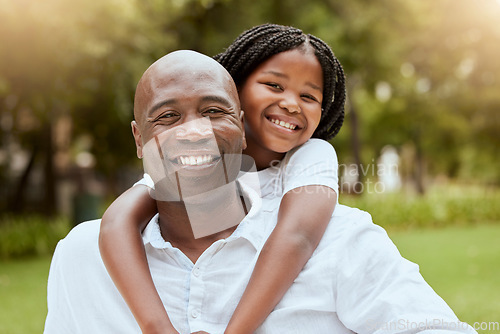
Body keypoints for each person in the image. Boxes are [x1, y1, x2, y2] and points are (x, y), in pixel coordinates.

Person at [44, 49, 477, 334]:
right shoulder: (80, 257)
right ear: (139, 139)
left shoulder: (338, 236)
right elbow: (127, 213)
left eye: (214, 111)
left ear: (240, 124)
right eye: (168, 117)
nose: (195, 132)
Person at [99, 23, 344, 334]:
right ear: (235, 90)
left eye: (309, 96)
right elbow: (118, 221)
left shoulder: (311, 155)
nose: (291, 103)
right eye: (274, 85)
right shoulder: (186, 163)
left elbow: (299, 236)